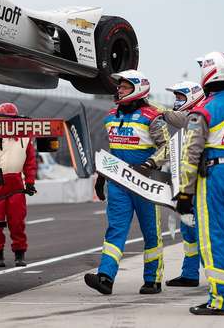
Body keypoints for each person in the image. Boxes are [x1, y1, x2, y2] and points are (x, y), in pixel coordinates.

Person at [85, 70, 170, 296]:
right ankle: (105, 277)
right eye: (119, 87)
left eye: (124, 87)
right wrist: (101, 177)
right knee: (115, 230)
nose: (119, 90)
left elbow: (168, 148)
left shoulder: (152, 116)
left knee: (151, 232)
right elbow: (113, 149)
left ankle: (153, 279)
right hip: (118, 183)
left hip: (145, 184)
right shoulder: (112, 114)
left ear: (137, 89)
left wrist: (150, 164)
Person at [176, 52, 224, 316]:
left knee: (212, 239)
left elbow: (191, 153)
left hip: (215, 178)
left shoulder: (203, 110)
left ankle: (221, 300)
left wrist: (185, 192)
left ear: (208, 73)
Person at [138, 81, 205, 287]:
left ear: (193, 97)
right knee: (189, 230)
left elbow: (177, 117)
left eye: (180, 98)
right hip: (187, 182)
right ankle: (190, 274)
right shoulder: (187, 121)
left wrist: (155, 108)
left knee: (203, 230)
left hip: (204, 182)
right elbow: (172, 148)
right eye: (176, 97)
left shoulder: (199, 114)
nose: (176, 102)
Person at [0, 102, 38, 268]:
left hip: (16, 183)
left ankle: (19, 254)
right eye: (5, 119)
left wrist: (30, 182)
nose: (8, 122)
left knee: (17, 222)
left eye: (12, 119)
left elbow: (30, 162)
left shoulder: (24, 137)